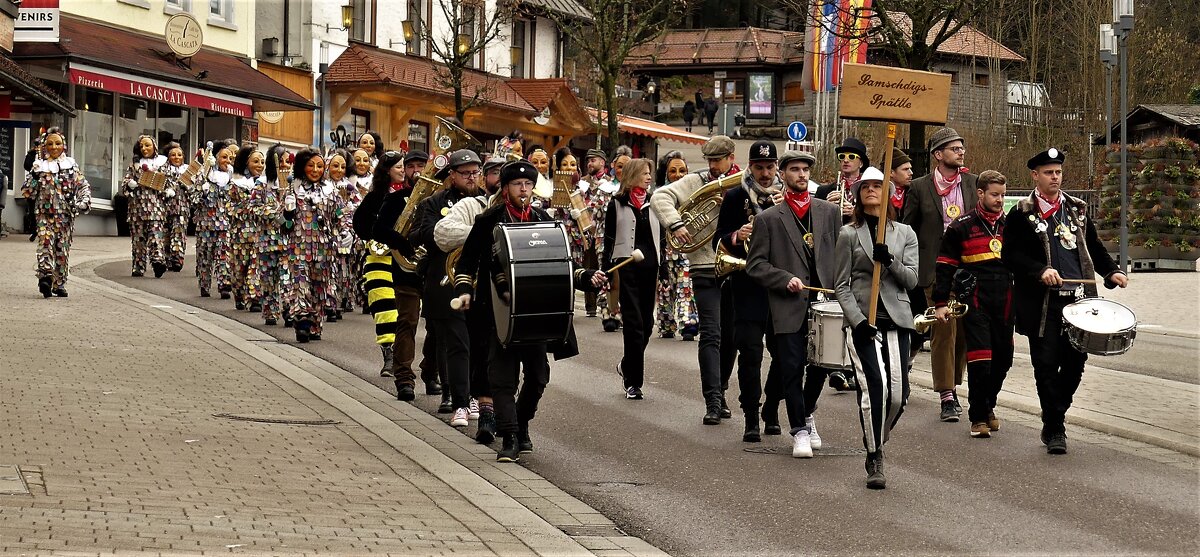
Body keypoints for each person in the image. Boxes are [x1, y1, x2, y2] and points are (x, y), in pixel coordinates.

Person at [452, 161, 606, 462]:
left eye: (528, 185)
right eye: (517, 184)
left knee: (538, 377)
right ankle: (509, 436)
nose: (523, 190)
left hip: (535, 310)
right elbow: (466, 263)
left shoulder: (542, 220)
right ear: (506, 188)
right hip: (497, 312)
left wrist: (585, 276)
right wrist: (464, 290)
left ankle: (521, 423)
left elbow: (559, 262)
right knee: (502, 378)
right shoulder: (489, 220)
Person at [1002, 148, 1128, 454]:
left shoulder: (1077, 208)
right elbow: (1010, 255)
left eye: (1058, 172)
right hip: (1042, 304)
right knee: (1045, 365)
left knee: (1075, 363)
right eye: (1048, 172)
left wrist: (1111, 272)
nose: (1054, 177)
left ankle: (1053, 415)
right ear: (1035, 175)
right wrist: (1039, 270)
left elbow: (1093, 247)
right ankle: (1055, 428)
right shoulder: (1020, 212)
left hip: (1080, 301)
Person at [746, 150, 840, 455]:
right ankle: (799, 429)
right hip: (788, 303)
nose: (801, 174)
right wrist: (782, 278)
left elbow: (841, 255)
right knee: (791, 366)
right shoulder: (768, 219)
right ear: (782, 175)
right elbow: (755, 264)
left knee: (822, 367)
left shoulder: (829, 212)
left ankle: (807, 413)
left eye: (805, 170)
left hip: (825, 302)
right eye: (794, 170)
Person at [833, 166, 919, 489]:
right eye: (865, 186)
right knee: (875, 388)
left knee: (898, 395)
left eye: (877, 186)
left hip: (896, 320)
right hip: (863, 323)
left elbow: (912, 280)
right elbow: (840, 285)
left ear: (888, 193)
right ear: (857, 194)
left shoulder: (905, 234)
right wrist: (857, 321)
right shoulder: (848, 234)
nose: (871, 190)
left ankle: (876, 432)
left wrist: (891, 261)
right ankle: (875, 454)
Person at [650, 135, 740, 424]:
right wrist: (675, 224)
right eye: (710, 160)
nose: (713, 166)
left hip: (738, 267)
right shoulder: (696, 180)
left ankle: (723, 390)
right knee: (711, 334)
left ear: (730, 156)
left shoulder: (742, 181)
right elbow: (660, 196)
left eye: (718, 160)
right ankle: (712, 400)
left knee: (732, 337)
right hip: (704, 266)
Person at [901, 127, 979, 422]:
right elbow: (907, 230)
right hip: (934, 270)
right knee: (944, 330)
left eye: (961, 147)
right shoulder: (920, 187)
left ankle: (954, 385)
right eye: (954, 148)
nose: (961, 152)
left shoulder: (973, 183)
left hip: (969, 268)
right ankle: (947, 395)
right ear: (938, 155)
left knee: (962, 336)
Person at [933, 170, 1014, 438]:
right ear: (980, 193)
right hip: (975, 296)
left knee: (1003, 359)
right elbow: (945, 266)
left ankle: (988, 404)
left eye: (1003, 195)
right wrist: (941, 302)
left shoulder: (1011, 226)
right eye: (994, 194)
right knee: (981, 360)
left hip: (1006, 297)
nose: (1000, 200)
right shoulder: (961, 226)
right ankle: (978, 417)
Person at [714, 140, 784, 440]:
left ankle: (771, 407)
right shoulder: (734, 196)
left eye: (770, 167)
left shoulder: (789, 196)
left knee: (783, 355)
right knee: (750, 354)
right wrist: (735, 234)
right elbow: (719, 237)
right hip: (746, 285)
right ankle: (752, 417)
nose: (765, 173)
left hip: (780, 287)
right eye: (759, 167)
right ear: (750, 167)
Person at [435, 155, 505, 444]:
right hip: (475, 289)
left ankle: (504, 412)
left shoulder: (528, 211)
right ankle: (475, 405)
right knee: (474, 348)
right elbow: (442, 233)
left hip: (508, 292)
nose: (504, 182)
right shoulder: (471, 206)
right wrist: (481, 233)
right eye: (497, 175)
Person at [411, 149, 481, 428]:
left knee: (476, 342)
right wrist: (447, 229)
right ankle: (454, 395)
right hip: (444, 279)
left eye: (475, 172)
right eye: (465, 173)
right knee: (451, 341)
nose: (471, 178)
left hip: (475, 279)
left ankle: (474, 395)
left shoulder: (484, 202)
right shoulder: (434, 202)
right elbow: (419, 234)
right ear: (452, 175)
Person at [815, 136, 871, 392]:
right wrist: (826, 207)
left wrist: (854, 211)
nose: (846, 161)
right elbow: (815, 226)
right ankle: (837, 365)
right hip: (834, 253)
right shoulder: (826, 190)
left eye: (851, 157)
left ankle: (853, 365)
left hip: (859, 252)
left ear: (861, 162)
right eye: (842, 157)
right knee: (836, 307)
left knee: (856, 308)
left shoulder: (868, 188)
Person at [372, 151, 427, 401]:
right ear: (403, 171)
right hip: (405, 268)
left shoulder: (439, 197)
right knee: (407, 321)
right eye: (410, 166)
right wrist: (400, 241)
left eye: (421, 166)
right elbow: (379, 229)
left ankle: (432, 371)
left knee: (439, 325)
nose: (416, 170)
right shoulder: (396, 200)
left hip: (433, 268)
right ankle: (404, 378)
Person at [603, 158, 661, 399]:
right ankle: (633, 382)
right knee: (634, 326)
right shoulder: (616, 204)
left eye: (650, 173)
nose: (649, 177)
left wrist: (665, 269)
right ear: (632, 175)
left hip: (650, 269)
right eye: (644, 173)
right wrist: (605, 270)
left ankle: (627, 364)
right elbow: (608, 238)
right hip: (625, 269)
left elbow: (663, 239)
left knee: (647, 325)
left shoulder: (656, 202)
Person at [353, 152, 404, 386]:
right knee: (384, 307)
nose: (403, 170)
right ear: (386, 171)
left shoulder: (410, 196)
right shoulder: (374, 198)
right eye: (399, 167)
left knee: (405, 311)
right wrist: (374, 237)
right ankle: (389, 355)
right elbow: (360, 225)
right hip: (379, 258)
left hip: (404, 258)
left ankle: (405, 358)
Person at [22, 127, 91, 298]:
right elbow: (27, 192)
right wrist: (35, 177)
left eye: (57, 143)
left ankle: (59, 283)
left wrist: (83, 201)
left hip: (65, 216)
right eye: (50, 144)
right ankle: (45, 277)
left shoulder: (71, 166)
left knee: (62, 250)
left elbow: (82, 186)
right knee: (45, 244)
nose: (54, 147)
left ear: (64, 146)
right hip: (44, 216)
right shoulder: (39, 167)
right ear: (44, 147)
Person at [283, 148, 342, 343]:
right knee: (300, 283)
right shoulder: (293, 189)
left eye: (319, 165)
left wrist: (344, 233)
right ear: (302, 167)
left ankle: (315, 324)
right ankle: (302, 321)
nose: (315, 170)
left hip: (324, 248)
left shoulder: (331, 191)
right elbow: (282, 224)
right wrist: (287, 213)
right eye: (311, 165)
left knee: (319, 287)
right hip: (298, 247)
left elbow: (341, 216)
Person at [654, 151, 698, 340]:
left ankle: (688, 322)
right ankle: (666, 323)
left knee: (685, 284)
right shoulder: (657, 197)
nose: (678, 175)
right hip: (664, 250)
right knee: (665, 287)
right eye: (673, 171)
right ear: (665, 173)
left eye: (682, 170)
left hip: (686, 249)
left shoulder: (695, 195)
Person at [192, 140, 236, 299]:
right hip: (205, 224)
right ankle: (204, 285)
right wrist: (203, 191)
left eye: (230, 158)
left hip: (224, 224)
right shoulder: (204, 174)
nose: (228, 161)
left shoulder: (231, 177)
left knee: (223, 255)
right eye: (224, 157)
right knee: (205, 257)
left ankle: (224, 284)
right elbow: (193, 199)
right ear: (216, 158)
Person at [121, 135, 170, 278]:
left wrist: (168, 190)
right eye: (142, 146)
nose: (144, 148)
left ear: (154, 146)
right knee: (138, 239)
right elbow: (126, 181)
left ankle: (158, 262)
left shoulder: (162, 163)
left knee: (156, 236)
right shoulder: (134, 164)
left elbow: (170, 181)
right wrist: (130, 184)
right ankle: (138, 266)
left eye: (147, 145)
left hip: (155, 207)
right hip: (136, 208)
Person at [253, 145, 291, 326]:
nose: (285, 165)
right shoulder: (261, 185)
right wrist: (276, 212)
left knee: (287, 278)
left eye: (288, 161)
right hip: (266, 241)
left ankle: (290, 309)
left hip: (288, 242)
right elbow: (254, 207)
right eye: (281, 161)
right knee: (268, 279)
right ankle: (270, 312)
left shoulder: (293, 185)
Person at [230, 145, 266, 312]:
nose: (260, 165)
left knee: (255, 265)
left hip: (259, 233)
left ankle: (255, 297)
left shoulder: (264, 185)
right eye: (256, 161)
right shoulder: (236, 184)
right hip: (240, 233)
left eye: (262, 162)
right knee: (239, 268)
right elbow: (230, 207)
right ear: (246, 163)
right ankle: (238, 293)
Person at [580, 148, 613, 317]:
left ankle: (606, 304)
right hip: (585, 230)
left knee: (602, 265)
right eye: (588, 160)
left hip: (602, 230)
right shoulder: (582, 182)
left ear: (602, 162)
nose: (589, 164)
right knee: (588, 265)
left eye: (593, 160)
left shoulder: (611, 182)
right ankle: (590, 306)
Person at [162, 142, 191, 273]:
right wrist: (165, 191)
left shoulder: (188, 170)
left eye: (179, 155)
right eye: (173, 155)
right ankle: (167, 258)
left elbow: (195, 187)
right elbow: (157, 186)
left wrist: (189, 187)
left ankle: (177, 259)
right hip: (165, 207)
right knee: (166, 234)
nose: (176, 157)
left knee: (179, 233)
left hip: (182, 207)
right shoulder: (162, 169)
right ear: (168, 157)